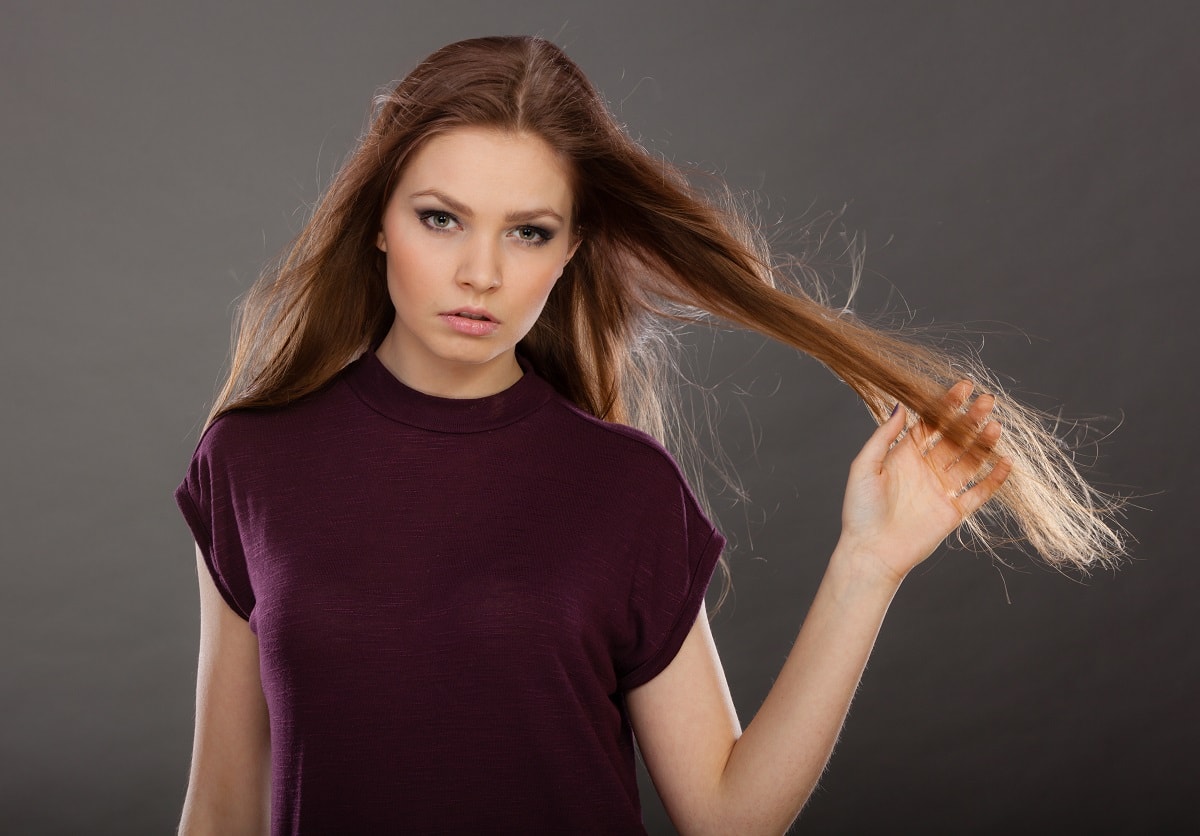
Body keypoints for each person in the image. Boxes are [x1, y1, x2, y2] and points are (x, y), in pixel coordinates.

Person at [175, 35, 1124, 835]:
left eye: (529, 232)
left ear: (574, 246)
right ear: (379, 222)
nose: (479, 271)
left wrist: (867, 566)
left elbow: (725, 815)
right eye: (440, 219)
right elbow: (220, 806)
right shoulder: (253, 462)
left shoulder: (623, 486)